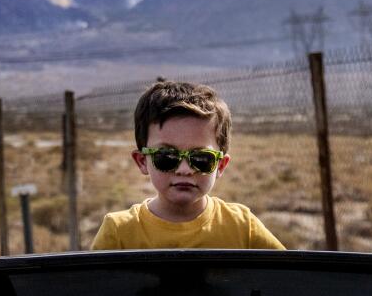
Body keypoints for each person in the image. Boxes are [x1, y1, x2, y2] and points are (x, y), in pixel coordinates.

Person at [91, 78, 284, 250]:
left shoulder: (243, 228)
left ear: (221, 166)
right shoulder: (118, 234)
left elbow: (289, 279)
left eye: (201, 159)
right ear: (142, 161)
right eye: (166, 157)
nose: (184, 170)